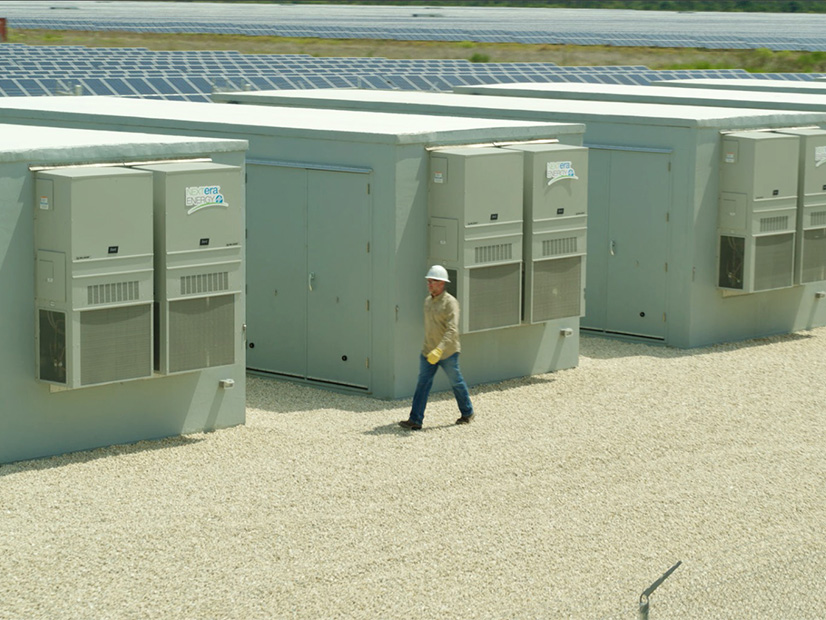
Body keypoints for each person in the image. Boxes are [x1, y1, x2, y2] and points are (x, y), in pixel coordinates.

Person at [399, 265, 474, 430]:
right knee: (422, 384)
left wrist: (439, 349)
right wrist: (430, 349)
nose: (429, 285)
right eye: (428, 282)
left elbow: (452, 330)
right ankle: (415, 420)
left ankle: (467, 412)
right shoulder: (427, 301)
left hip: (448, 353)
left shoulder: (451, 303)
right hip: (428, 352)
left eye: (432, 281)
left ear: (441, 283)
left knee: (456, 382)